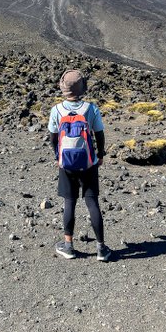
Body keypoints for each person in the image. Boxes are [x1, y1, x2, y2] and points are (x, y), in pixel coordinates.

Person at [48, 69, 111, 261]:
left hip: (66, 164)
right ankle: (101, 249)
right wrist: (100, 155)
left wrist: (58, 155)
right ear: (82, 87)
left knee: (69, 202)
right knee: (92, 202)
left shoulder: (56, 110)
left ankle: (68, 246)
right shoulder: (91, 109)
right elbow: (99, 134)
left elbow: (53, 137)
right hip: (88, 163)